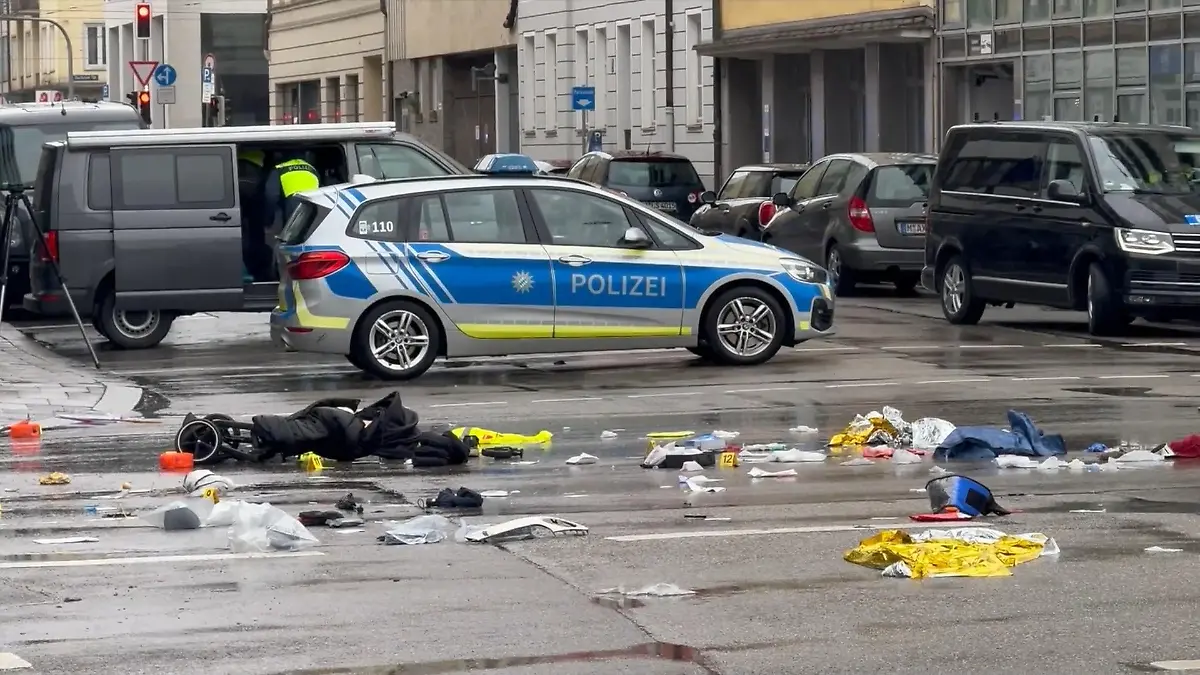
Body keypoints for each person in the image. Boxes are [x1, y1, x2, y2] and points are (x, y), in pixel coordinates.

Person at [264, 152, 321, 228]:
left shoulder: (280, 169)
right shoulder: (312, 169)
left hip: (294, 210)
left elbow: (271, 196)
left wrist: (268, 219)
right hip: (315, 214)